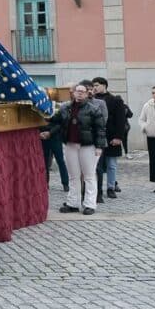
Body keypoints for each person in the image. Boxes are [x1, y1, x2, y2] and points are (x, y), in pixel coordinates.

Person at [49, 84, 106, 215]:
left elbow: (101, 129)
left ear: (87, 94)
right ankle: (73, 203)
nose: (79, 93)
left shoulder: (94, 109)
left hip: (88, 146)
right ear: (73, 93)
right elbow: (54, 120)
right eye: (77, 91)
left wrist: (99, 147)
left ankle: (90, 204)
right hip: (70, 145)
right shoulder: (65, 108)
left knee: (89, 176)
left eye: (82, 91)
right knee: (73, 176)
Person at [92, 78, 130, 199]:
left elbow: (121, 120)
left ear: (104, 86)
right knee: (96, 165)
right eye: (93, 85)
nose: (95, 87)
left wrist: (119, 137)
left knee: (111, 164)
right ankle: (97, 189)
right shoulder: (91, 100)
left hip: (112, 136)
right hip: (96, 137)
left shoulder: (115, 100)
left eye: (97, 85)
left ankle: (111, 187)